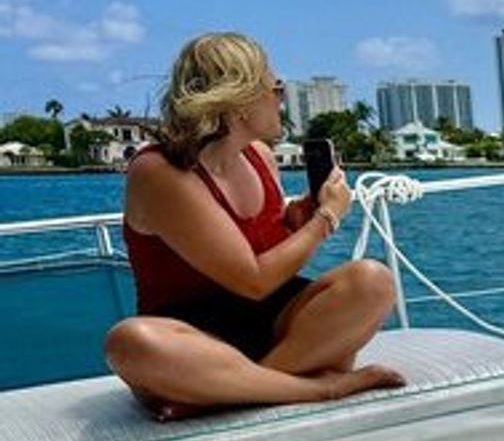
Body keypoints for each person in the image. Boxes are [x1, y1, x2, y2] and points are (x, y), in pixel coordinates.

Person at [105, 32, 403, 420]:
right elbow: (253, 279)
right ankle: (321, 387)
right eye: (275, 87)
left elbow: (262, 254)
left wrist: (295, 221)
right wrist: (325, 218)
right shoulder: (160, 171)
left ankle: (229, 393)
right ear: (240, 102)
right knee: (130, 342)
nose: (281, 98)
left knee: (372, 281)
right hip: (196, 337)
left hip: (277, 323)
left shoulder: (261, 157)